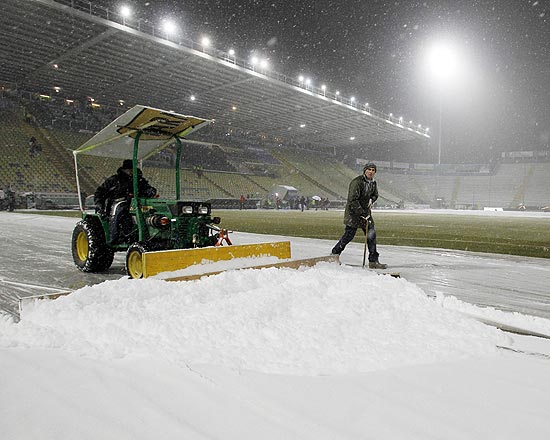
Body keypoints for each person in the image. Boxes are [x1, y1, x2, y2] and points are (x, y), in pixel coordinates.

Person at [331, 162, 387, 269]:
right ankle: (334, 254)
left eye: (373, 170)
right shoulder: (357, 182)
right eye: (369, 169)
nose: (371, 172)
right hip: (353, 213)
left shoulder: (373, 183)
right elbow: (353, 200)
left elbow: (375, 194)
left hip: (366, 213)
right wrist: (361, 212)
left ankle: (373, 261)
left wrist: (372, 199)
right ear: (365, 170)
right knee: (348, 236)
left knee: (371, 236)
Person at [94, 159, 157, 243]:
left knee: (151, 210)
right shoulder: (114, 180)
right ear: (124, 170)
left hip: (136, 202)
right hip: (119, 202)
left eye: (132, 170)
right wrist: (99, 205)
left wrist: (150, 191)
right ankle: (116, 236)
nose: (131, 172)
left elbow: (148, 188)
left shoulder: (140, 180)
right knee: (122, 210)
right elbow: (100, 192)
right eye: (129, 170)